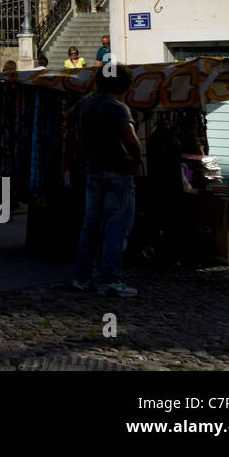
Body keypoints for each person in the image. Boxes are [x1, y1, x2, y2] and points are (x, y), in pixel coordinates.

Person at [72, 66, 142, 298]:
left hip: (93, 171)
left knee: (90, 225)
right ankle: (109, 279)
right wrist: (135, 159)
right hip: (117, 173)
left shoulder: (85, 105)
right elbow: (131, 140)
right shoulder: (118, 108)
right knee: (116, 226)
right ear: (123, 86)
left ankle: (81, 277)